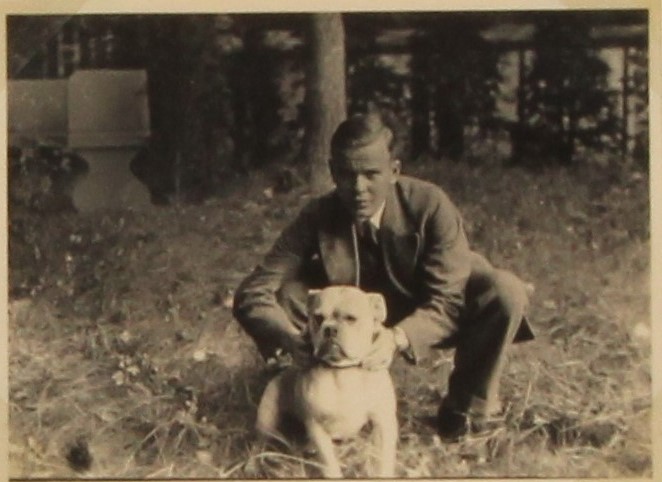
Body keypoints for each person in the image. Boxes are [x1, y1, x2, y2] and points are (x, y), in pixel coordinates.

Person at [233, 113, 534, 441]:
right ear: (332, 172)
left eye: (371, 174)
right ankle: (304, 400)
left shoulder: (430, 205)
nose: (358, 188)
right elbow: (253, 292)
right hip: (355, 313)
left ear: (394, 171)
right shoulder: (318, 214)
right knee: (288, 296)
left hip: (428, 303)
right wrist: (291, 338)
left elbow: (447, 300)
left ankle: (466, 412)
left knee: (505, 291)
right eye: (347, 175)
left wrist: (397, 337)